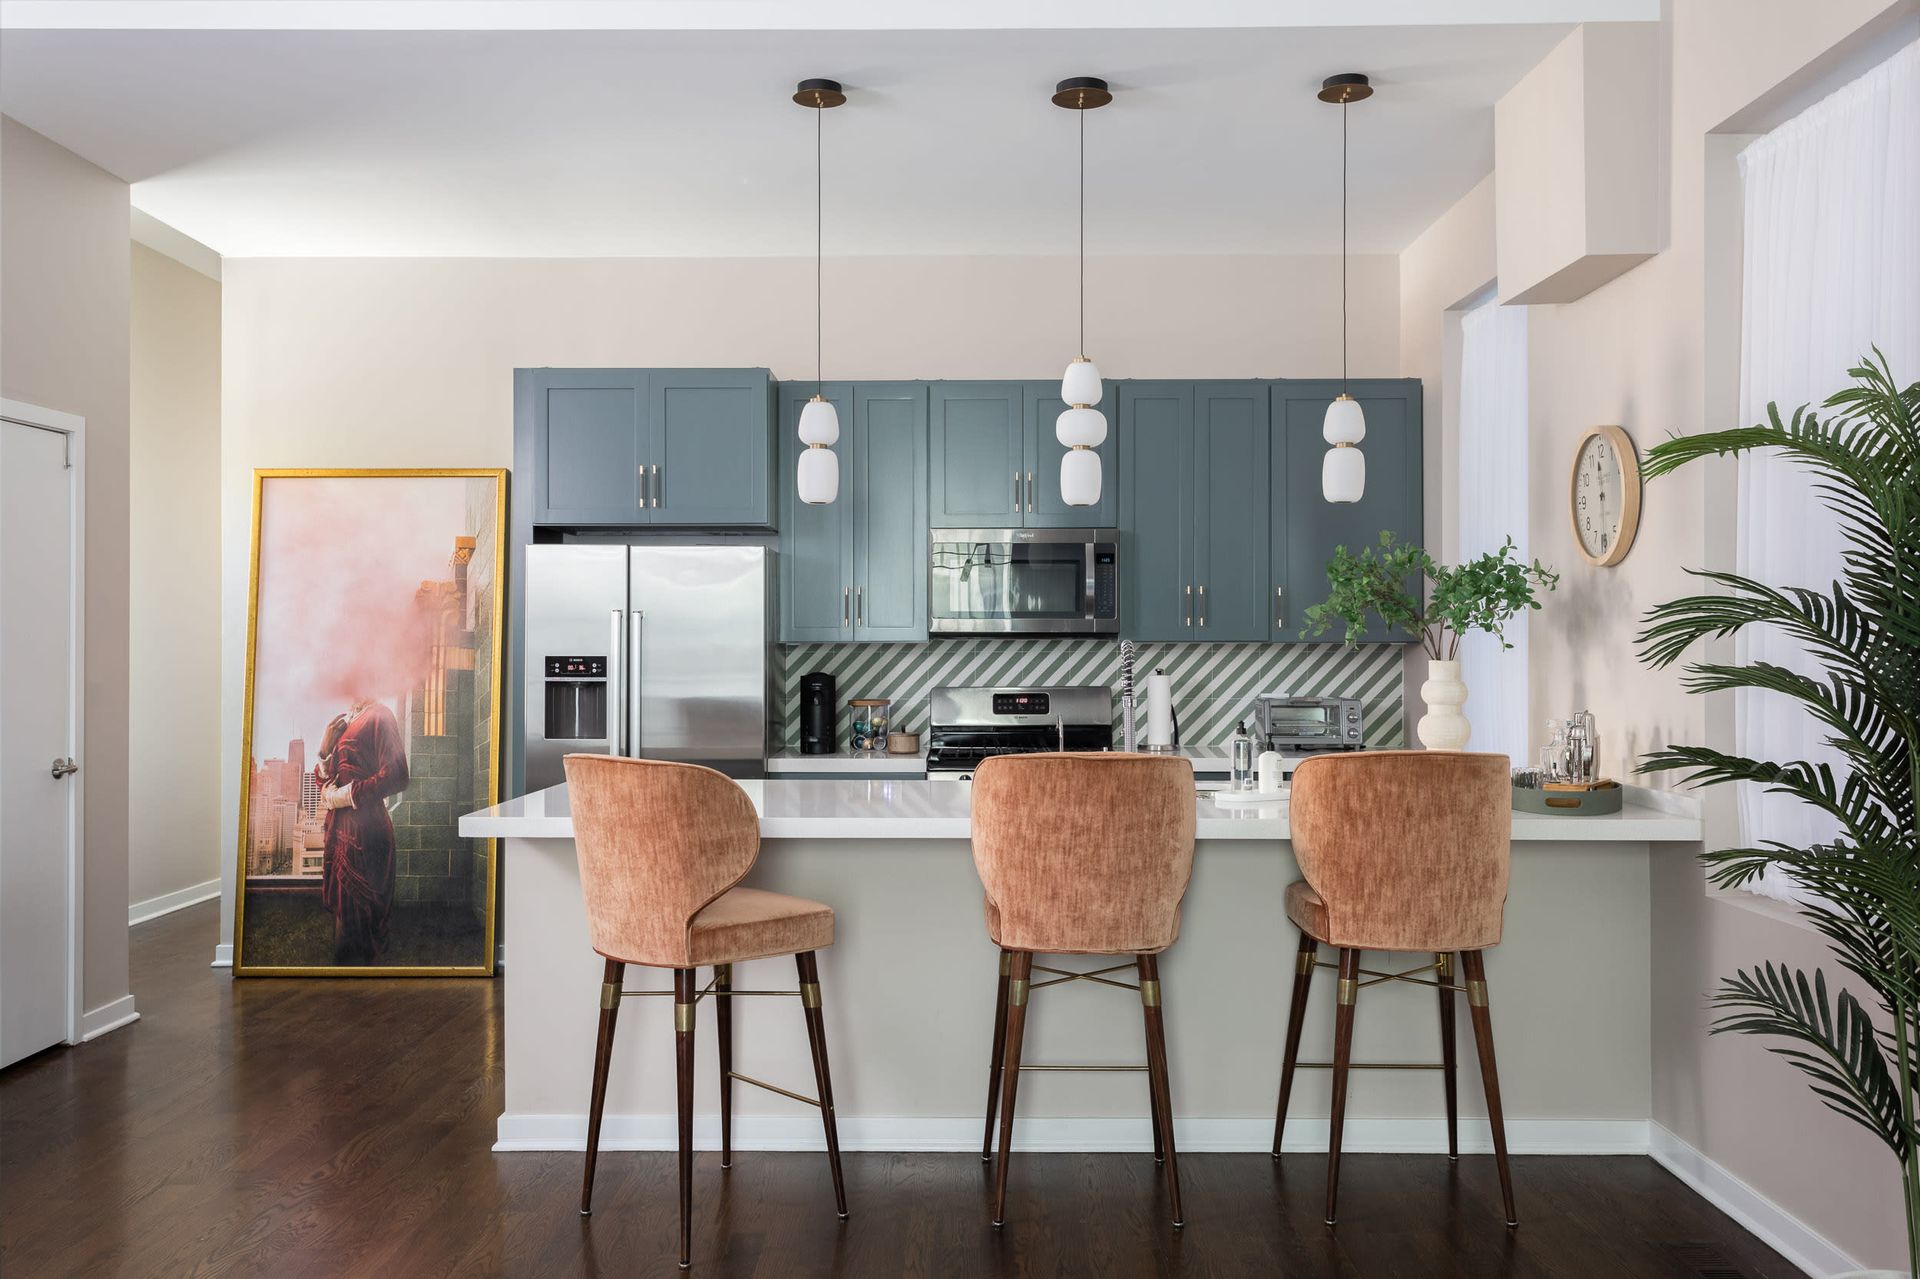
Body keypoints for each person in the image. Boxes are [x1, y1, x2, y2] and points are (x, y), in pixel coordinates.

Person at [314, 697, 409, 964]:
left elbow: (398, 775)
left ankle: (364, 985)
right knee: (343, 931)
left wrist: (343, 796)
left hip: (366, 836)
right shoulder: (345, 722)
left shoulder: (380, 715)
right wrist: (324, 751)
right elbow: (324, 781)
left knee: (359, 934)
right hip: (339, 836)